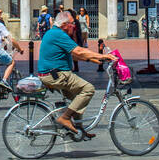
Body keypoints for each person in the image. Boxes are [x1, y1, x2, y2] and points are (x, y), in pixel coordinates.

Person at [37, 8, 112, 136]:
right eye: (72, 23)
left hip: (53, 74)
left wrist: (95, 60)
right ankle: (64, 118)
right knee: (88, 89)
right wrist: (102, 56)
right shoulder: (58, 34)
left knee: (78, 100)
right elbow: (78, 51)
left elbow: (74, 55)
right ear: (64, 25)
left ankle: (78, 129)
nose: (74, 26)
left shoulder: (55, 33)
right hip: (57, 75)